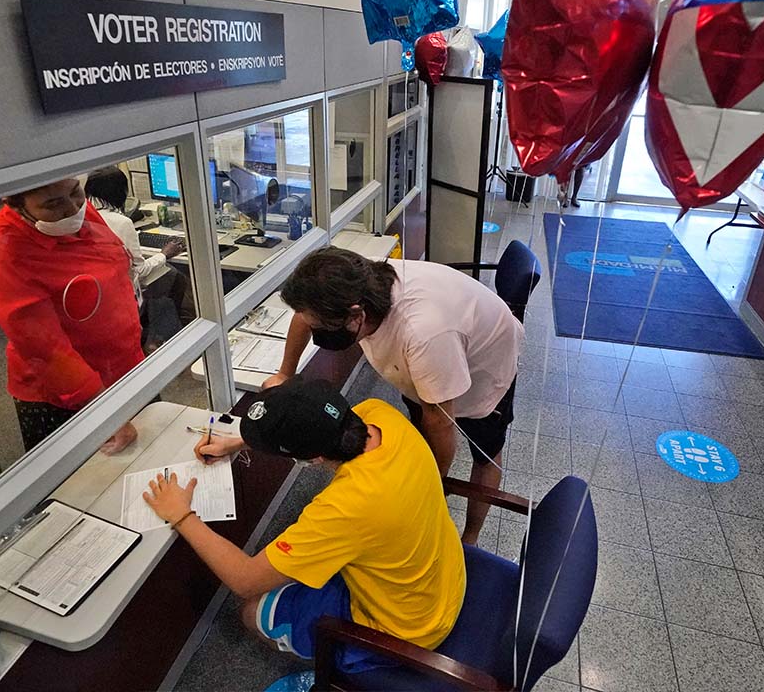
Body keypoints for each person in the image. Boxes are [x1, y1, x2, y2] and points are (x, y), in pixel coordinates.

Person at [141, 378, 465, 671]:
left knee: (251, 612)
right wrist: (238, 442)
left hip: (411, 628)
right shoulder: (380, 414)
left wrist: (181, 515)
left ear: (313, 458)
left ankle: (337, 666)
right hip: (444, 574)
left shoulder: (344, 508)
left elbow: (244, 580)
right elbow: (319, 432)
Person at [268, 247, 523, 544]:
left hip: (486, 365)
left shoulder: (423, 333)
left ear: (356, 315)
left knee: (485, 455)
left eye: (322, 327)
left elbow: (440, 421)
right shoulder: (356, 282)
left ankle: (470, 537)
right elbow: (304, 316)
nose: (316, 330)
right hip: (435, 356)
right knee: (423, 428)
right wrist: (284, 374)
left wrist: (432, 484)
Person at [0, 177, 141, 453]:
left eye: (76, 192)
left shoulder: (75, 212)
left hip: (123, 367)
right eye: (52, 204)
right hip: (71, 393)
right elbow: (47, 350)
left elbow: (113, 265)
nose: (72, 209)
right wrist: (105, 412)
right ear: (15, 205)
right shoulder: (1, 254)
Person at [84, 167, 187, 350]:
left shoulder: (84, 216)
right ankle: (157, 338)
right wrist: (165, 253)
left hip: (97, 296)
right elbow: (140, 269)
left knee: (169, 275)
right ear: (122, 192)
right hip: (123, 296)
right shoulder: (122, 222)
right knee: (175, 277)